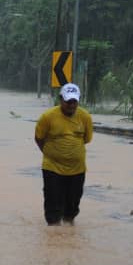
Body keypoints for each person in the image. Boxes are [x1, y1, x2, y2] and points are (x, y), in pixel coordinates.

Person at [35, 83, 93, 225]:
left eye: (74, 102)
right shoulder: (47, 117)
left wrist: (70, 152)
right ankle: (53, 233)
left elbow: (86, 139)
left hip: (77, 169)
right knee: (52, 202)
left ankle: (68, 227)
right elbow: (39, 138)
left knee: (72, 206)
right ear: (60, 99)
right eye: (68, 102)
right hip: (52, 167)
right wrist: (51, 153)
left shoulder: (85, 117)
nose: (71, 105)